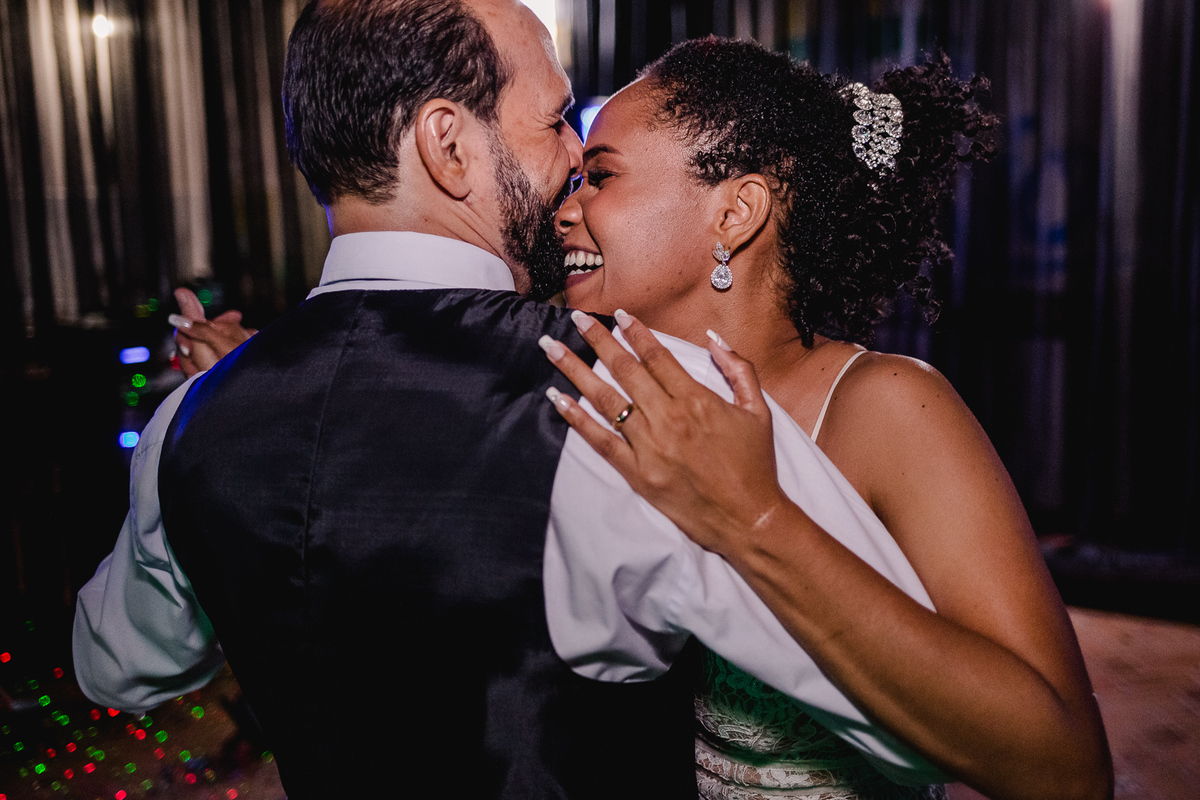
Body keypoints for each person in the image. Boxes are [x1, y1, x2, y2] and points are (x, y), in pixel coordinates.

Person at [73, 4, 947, 799]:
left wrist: (220, 406)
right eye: (556, 120)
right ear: (448, 147)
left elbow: (115, 670)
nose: (574, 156)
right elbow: (914, 727)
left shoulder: (188, 426)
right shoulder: (634, 398)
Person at [541, 38, 1112, 800]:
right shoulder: (630, 394)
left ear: (735, 212)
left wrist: (756, 516)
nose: (566, 208)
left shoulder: (890, 406)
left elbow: (1067, 770)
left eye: (600, 177)